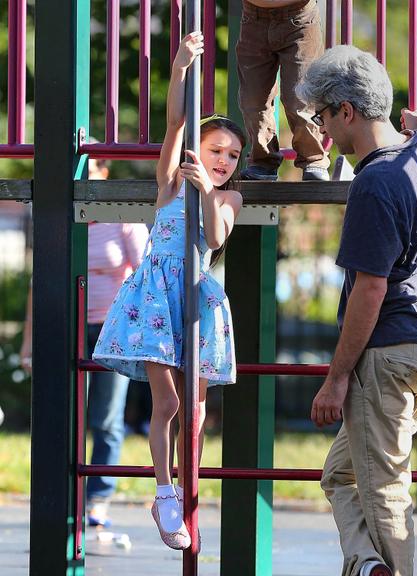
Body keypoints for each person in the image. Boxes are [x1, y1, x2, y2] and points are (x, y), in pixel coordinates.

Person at [93, 31, 246, 550]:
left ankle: (189, 488)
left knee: (197, 408)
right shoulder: (171, 182)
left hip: (197, 299)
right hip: (157, 297)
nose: (223, 159)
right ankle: (163, 493)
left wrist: (210, 187)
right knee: (169, 402)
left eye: (232, 154)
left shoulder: (228, 196)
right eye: (215, 150)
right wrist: (181, 68)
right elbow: (177, 123)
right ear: (195, 152)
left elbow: (218, 235)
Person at [296, 45, 417, 576]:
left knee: (386, 489)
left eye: (323, 116)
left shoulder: (374, 182)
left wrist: (336, 377)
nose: (323, 132)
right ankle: (370, 567)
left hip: (387, 352)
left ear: (347, 110)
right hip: (416, 346)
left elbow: (369, 291)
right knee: (342, 475)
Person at [20, 158, 150, 528]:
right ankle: (64, 496)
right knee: (63, 413)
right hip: (70, 326)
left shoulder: (121, 219)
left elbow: (143, 275)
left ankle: (98, 499)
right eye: (77, 171)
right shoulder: (62, 218)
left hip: (113, 330)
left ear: (104, 175)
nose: (83, 179)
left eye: (90, 171)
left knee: (106, 417)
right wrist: (29, 342)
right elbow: (38, 282)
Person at [236, 0, 330, 181]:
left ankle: (313, 158)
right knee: (253, 99)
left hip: (299, 16)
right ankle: (263, 160)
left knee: (300, 97)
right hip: (253, 18)